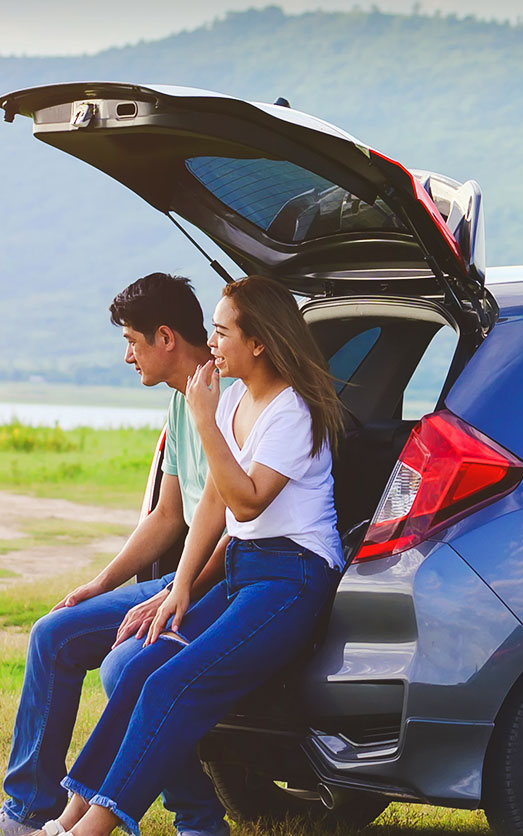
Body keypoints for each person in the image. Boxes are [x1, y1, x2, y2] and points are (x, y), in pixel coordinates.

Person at [41, 275, 349, 836]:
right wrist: (177, 586)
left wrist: (204, 420)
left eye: (221, 332)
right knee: (136, 670)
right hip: (243, 572)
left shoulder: (292, 411)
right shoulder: (233, 398)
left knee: (169, 683)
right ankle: (66, 818)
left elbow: (248, 502)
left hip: (293, 579)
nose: (212, 344)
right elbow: (210, 502)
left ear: (257, 342)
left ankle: (92, 830)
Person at [0, 273, 232, 836]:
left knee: (131, 666)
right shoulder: (182, 404)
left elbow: (235, 525)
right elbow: (168, 516)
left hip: (217, 583)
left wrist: (176, 594)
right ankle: (29, 808)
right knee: (52, 634)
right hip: (181, 577)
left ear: (165, 337)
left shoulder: (225, 395)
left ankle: (195, 819)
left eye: (132, 341)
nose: (127, 356)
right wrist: (100, 584)